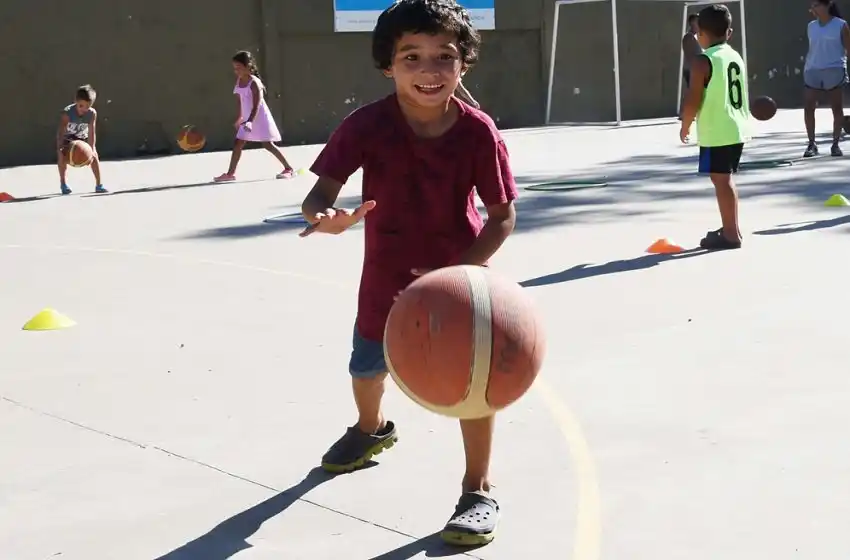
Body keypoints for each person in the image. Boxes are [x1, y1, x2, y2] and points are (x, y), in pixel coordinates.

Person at [299, 0, 517, 547]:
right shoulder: (366, 125)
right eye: (411, 57)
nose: (429, 70)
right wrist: (324, 217)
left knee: (476, 385)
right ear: (387, 65)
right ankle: (370, 430)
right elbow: (318, 194)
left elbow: (502, 216)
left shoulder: (478, 132)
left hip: (460, 280)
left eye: (444, 56)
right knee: (367, 366)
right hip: (386, 276)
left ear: (463, 64)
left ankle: (477, 489)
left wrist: (458, 275)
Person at [680, 4, 750, 250]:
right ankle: (732, 227)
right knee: (722, 179)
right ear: (729, 33)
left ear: (700, 33)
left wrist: (685, 124)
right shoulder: (734, 56)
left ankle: (731, 234)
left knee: (722, 180)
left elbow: (693, 98)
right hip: (736, 128)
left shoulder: (703, 61)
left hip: (717, 130)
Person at [214, 51, 296, 182]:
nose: (236, 71)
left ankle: (289, 169)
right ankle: (230, 174)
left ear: (249, 66)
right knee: (238, 143)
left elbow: (257, 105)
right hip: (247, 119)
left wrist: (250, 121)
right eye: (234, 68)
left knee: (268, 144)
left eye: (239, 67)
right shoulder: (239, 80)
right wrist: (240, 117)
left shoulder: (255, 83)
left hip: (259, 118)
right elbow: (240, 99)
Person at [802, 0, 849, 158]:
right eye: (812, 6)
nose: (813, 8)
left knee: (836, 107)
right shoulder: (811, 26)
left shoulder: (840, 25)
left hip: (834, 68)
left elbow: (848, 48)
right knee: (809, 106)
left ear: (827, 5)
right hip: (812, 69)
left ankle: (835, 144)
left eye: (816, 5)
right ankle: (811, 144)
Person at [57, 85, 106, 195]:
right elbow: (61, 131)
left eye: (87, 106)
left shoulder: (92, 113)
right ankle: (63, 183)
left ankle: (99, 184)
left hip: (81, 138)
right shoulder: (67, 113)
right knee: (61, 157)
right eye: (81, 106)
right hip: (68, 139)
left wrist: (92, 147)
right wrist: (60, 146)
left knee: (94, 156)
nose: (84, 109)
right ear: (75, 101)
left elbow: (92, 131)